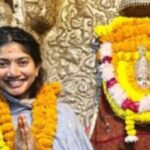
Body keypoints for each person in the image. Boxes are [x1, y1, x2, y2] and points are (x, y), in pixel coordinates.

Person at [0, 26, 93, 150]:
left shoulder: (63, 114)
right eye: (2, 64)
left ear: (37, 67)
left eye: (22, 62)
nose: (13, 72)